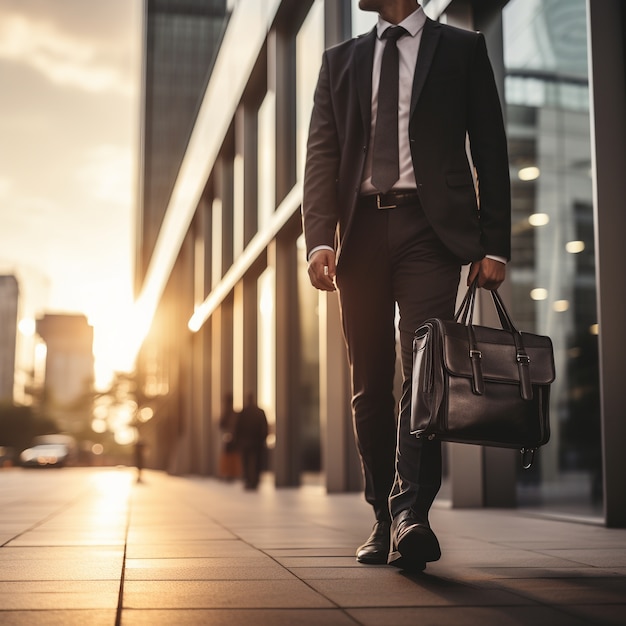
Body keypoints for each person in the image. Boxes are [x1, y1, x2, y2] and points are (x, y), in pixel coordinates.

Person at [302, 0, 511, 571]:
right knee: (370, 381)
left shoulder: (462, 49)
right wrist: (319, 238)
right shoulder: (339, 60)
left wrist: (494, 242)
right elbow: (322, 153)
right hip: (361, 231)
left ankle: (410, 514)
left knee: (424, 372)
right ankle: (379, 514)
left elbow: (489, 145)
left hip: (431, 229)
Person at [234, 392, 269, 490]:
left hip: (245, 442)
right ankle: (255, 481)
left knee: (246, 462)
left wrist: (237, 441)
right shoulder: (259, 412)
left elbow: (237, 428)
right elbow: (264, 427)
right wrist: (263, 439)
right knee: (256, 462)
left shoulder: (243, 412)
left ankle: (248, 480)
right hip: (257, 442)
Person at [219, 392, 241, 481]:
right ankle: (230, 473)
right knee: (230, 456)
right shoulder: (232, 413)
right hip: (231, 438)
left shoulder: (229, 413)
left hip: (231, 438)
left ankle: (230, 473)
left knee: (230, 456)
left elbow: (222, 424)